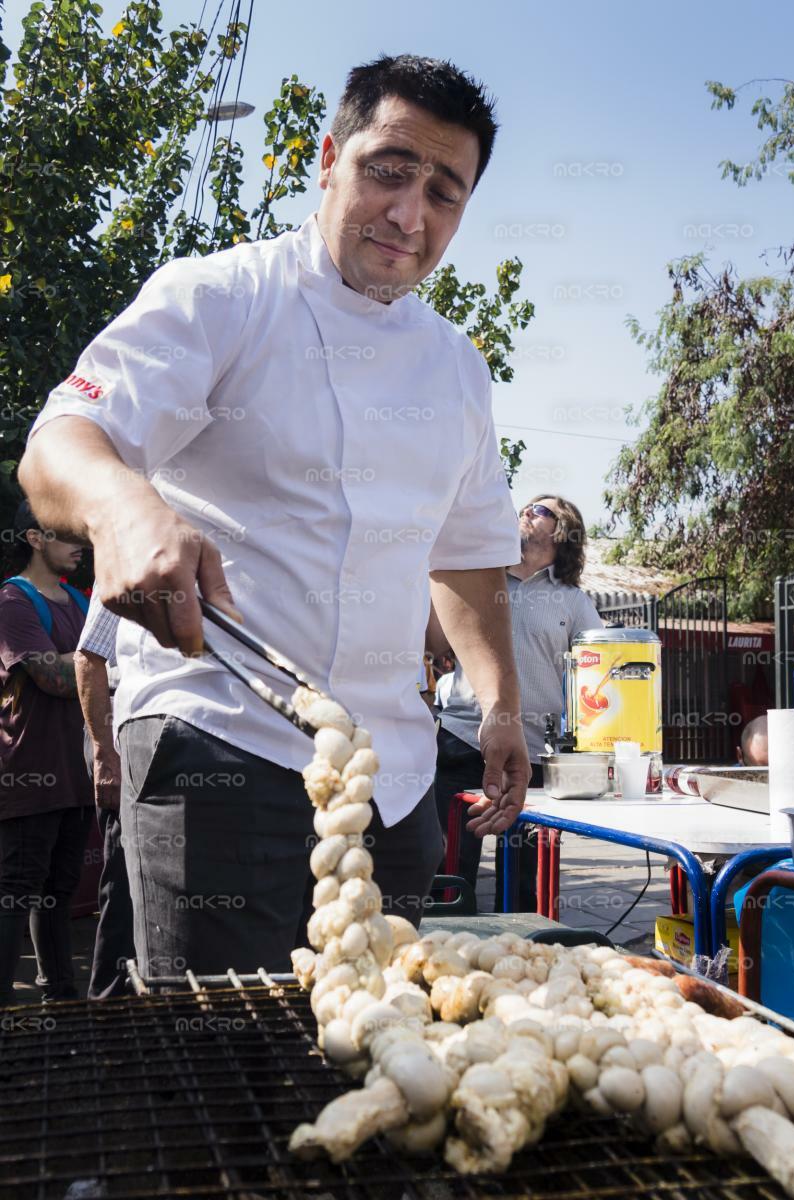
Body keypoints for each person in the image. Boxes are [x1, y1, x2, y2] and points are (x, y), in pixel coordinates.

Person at [19, 54, 531, 976]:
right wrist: (129, 509)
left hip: (394, 776)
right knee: (219, 1069)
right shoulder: (221, 297)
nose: (409, 215)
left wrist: (499, 707)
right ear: (329, 157)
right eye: (388, 170)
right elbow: (62, 441)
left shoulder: (458, 368)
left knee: (376, 1050)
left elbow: (464, 562)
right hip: (218, 740)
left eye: (444, 193)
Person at [430, 495, 602, 901]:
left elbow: (599, 666)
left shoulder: (574, 601)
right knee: (448, 876)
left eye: (541, 511)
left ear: (564, 532)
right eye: (526, 506)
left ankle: (522, 955)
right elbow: (434, 642)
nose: (526, 511)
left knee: (526, 882)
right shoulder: (478, 580)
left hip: (531, 752)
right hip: (461, 738)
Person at [0, 501, 91, 1003]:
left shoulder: (79, 601)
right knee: (16, 891)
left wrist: (80, 665)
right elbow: (51, 678)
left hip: (78, 773)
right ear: (35, 538)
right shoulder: (13, 601)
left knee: (59, 892)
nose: (80, 544)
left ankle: (62, 1000)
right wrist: (94, 667)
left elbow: (77, 667)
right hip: (29, 772)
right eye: (67, 534)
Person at [74, 592, 135, 998]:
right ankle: (109, 1008)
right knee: (122, 879)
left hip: (155, 745)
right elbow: (88, 658)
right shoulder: (127, 557)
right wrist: (104, 755)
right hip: (119, 741)